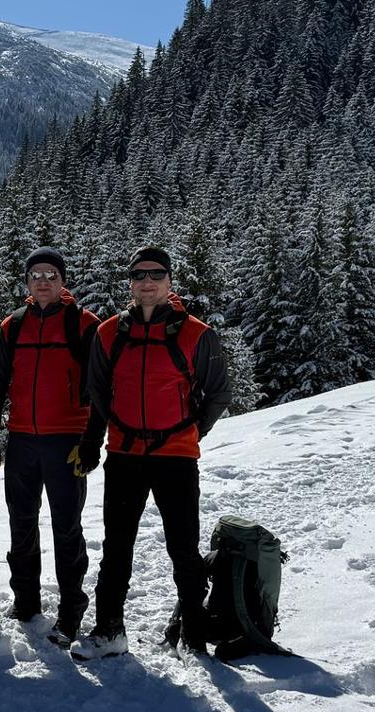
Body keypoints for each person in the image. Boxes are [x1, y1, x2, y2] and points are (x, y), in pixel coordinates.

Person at [73, 246, 232, 660]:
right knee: (117, 546)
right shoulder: (110, 333)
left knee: (183, 545)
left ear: (169, 281)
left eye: (156, 275)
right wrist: (106, 434)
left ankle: (195, 632)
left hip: (176, 456)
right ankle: (109, 630)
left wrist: (193, 430)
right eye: (139, 275)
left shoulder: (197, 333)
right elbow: (97, 389)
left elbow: (217, 393)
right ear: (129, 282)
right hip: (125, 454)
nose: (147, 282)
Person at [0, 247, 102, 646]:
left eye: (51, 274)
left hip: (66, 441)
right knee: (21, 524)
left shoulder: (83, 325)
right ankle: (26, 600)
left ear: (63, 280)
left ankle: (70, 612)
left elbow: (101, 390)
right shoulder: (13, 325)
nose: (43, 280)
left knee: (67, 528)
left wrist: (90, 442)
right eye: (36, 274)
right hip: (21, 441)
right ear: (27, 281)